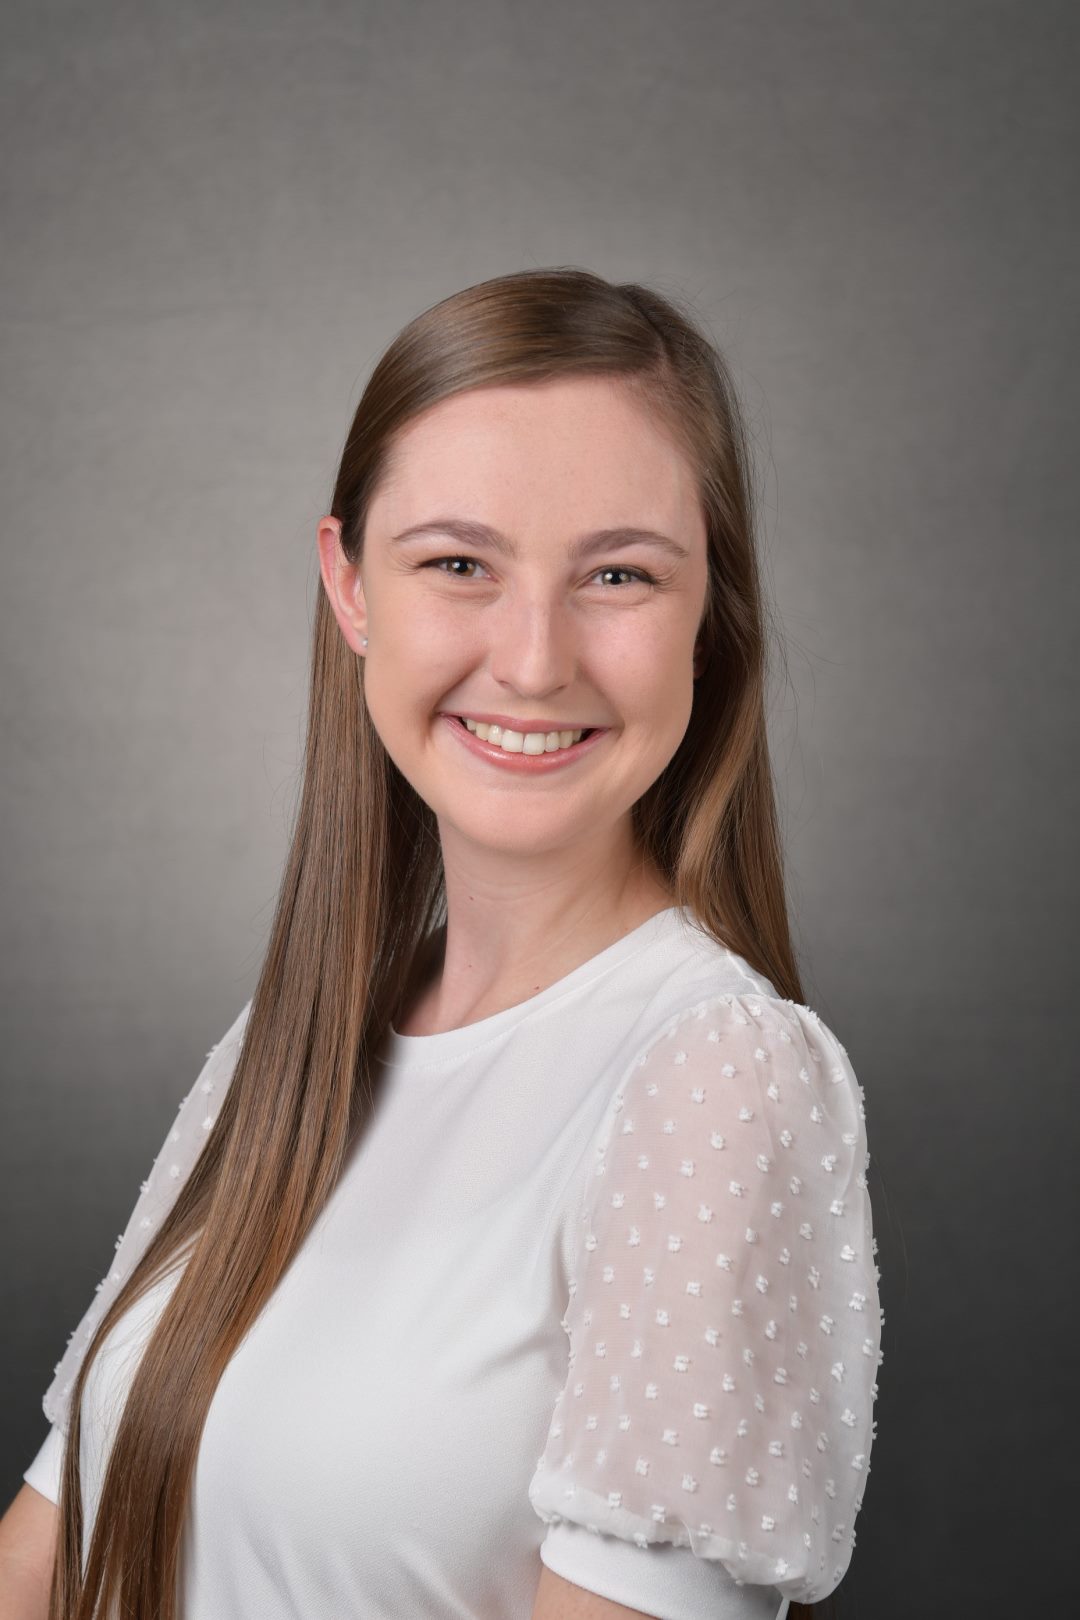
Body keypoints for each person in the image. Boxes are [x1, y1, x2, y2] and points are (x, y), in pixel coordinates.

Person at [2, 267, 883, 1620]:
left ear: (711, 616)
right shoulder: (289, 1046)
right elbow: (48, 1556)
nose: (533, 659)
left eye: (620, 575)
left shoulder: (717, 1083)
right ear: (350, 587)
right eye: (459, 563)